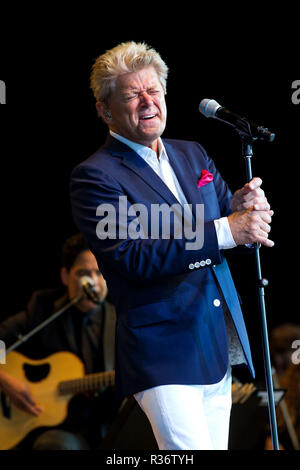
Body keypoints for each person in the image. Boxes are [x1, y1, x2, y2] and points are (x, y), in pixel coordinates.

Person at [70, 41, 274, 450]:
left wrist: (241, 206)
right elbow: (133, 255)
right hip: (161, 351)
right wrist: (227, 229)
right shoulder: (95, 176)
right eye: (132, 95)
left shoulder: (191, 152)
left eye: (154, 91)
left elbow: (218, 213)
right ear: (105, 109)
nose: (148, 102)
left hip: (215, 341)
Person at [0, 233, 118, 450]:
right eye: (84, 273)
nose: (93, 282)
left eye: (99, 273)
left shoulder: (122, 322)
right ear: (66, 276)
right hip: (53, 431)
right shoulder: (43, 308)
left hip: (105, 430)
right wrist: (5, 380)